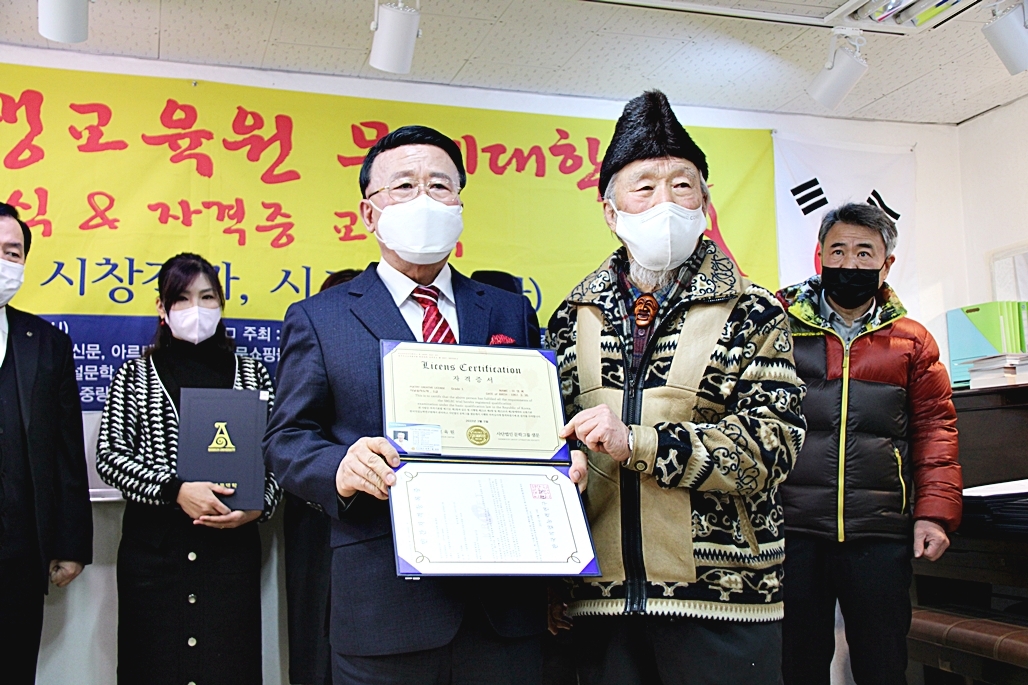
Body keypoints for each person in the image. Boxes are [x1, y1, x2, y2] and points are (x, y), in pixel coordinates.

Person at [264, 124, 586, 685]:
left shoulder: (508, 311)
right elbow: (285, 439)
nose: (424, 200)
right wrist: (339, 466)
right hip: (384, 605)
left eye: (440, 186)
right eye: (404, 186)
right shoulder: (321, 318)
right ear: (369, 214)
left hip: (504, 605)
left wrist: (564, 461)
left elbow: (543, 424)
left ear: (459, 205)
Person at [548, 91, 806, 685]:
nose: (665, 201)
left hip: (725, 603)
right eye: (644, 187)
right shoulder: (569, 318)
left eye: (682, 185)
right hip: (600, 601)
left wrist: (637, 442)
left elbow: (772, 448)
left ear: (705, 203)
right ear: (610, 211)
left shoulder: (754, 311)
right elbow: (550, 448)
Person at [776, 202, 962, 685]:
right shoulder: (778, 329)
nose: (850, 263)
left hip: (879, 532)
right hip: (793, 529)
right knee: (796, 665)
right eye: (838, 251)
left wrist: (935, 514)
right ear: (819, 257)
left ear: (886, 263)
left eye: (864, 252)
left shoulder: (911, 342)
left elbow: (936, 430)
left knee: (883, 665)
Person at [96, 252, 282, 685]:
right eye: (181, 299)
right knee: (153, 666)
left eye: (206, 297)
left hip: (229, 549)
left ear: (222, 303)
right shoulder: (135, 375)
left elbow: (278, 452)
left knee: (226, 666)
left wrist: (260, 505)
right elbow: (110, 456)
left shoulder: (251, 373)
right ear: (161, 308)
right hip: (154, 552)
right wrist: (175, 489)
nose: (195, 309)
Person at [0, 203, 93, 685]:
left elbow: (66, 452)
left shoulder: (47, 342)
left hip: (18, 555)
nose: (3, 261)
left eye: (12, 252)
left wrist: (71, 544)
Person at [284, 268, 361, 685]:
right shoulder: (312, 332)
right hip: (315, 517)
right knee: (315, 636)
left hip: (371, 516)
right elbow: (285, 440)